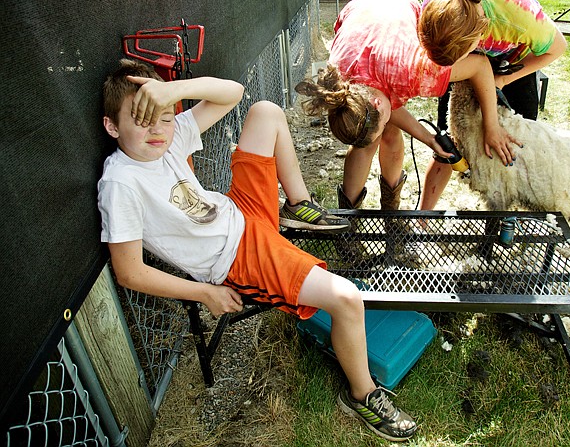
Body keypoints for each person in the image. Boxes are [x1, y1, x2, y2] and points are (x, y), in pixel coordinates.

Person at [97, 59, 417, 442]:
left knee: (265, 112)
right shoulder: (120, 183)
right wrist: (206, 293)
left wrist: (175, 92)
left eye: (164, 117)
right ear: (111, 126)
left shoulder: (170, 137)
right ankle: (363, 395)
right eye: (141, 120)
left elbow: (232, 93)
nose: (157, 130)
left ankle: (297, 205)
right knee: (347, 298)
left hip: (241, 210)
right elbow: (129, 272)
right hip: (237, 257)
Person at [295, 0, 490, 213]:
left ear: (377, 104)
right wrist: (426, 137)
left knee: (389, 131)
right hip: (357, 16)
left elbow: (479, 66)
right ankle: (349, 219)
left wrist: (491, 127)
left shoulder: (414, 71)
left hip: (398, 9)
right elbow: (387, 109)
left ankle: (390, 210)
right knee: (367, 140)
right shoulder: (339, 81)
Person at [418, 0, 567, 210]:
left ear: (480, 38)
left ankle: (506, 216)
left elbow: (558, 48)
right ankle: (423, 216)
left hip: (512, 61)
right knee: (446, 141)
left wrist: (504, 81)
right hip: (461, 53)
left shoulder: (520, 16)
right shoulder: (437, 4)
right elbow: (469, 64)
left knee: (514, 140)